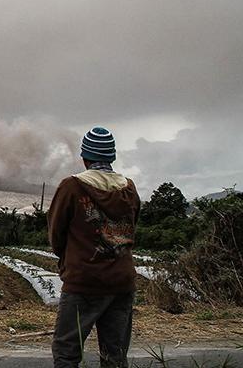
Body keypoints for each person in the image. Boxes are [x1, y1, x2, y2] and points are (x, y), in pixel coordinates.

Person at [48, 127, 141, 368]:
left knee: (67, 352)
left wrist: (68, 261)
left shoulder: (72, 187)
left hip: (84, 281)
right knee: (115, 356)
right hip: (122, 281)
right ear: (112, 157)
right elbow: (132, 226)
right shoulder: (128, 188)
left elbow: (56, 234)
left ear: (85, 157)